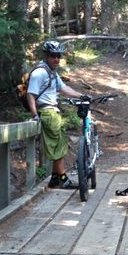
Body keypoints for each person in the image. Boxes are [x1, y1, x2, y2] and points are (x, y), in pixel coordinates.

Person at [26, 40, 85, 188]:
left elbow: (64, 88)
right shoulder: (40, 73)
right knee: (58, 147)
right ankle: (64, 180)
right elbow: (30, 95)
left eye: (59, 56)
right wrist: (35, 115)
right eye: (53, 56)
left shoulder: (52, 71)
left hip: (53, 112)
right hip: (47, 112)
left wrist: (81, 95)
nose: (56, 59)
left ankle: (54, 178)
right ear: (46, 55)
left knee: (59, 144)